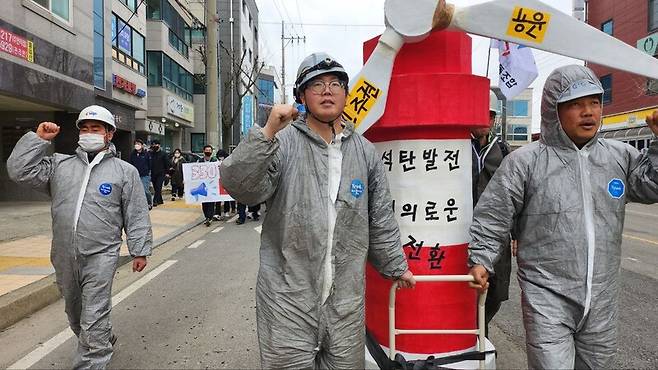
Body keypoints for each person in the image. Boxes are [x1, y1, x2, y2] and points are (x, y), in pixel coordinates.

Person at [220, 52, 416, 369]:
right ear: (301, 96)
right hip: (287, 297)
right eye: (317, 84)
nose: (327, 91)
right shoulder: (281, 144)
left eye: (336, 83)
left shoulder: (364, 153)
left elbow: (380, 218)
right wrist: (267, 132)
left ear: (346, 94)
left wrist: (396, 265)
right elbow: (240, 187)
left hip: (345, 303)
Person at [467, 65, 658, 369]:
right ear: (554, 109)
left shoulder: (619, 156)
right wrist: (481, 260)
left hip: (602, 297)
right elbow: (493, 215)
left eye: (594, 102)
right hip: (547, 297)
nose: (588, 112)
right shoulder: (525, 162)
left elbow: (650, 186)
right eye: (576, 104)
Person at [7, 105, 152, 368]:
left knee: (93, 314)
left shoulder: (124, 172)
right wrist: (38, 140)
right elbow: (19, 171)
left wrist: (139, 249)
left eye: (95, 128)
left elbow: (136, 214)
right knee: (75, 314)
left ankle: (92, 358)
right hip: (63, 254)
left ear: (109, 134)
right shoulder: (60, 165)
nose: (88, 133)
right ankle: (102, 337)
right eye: (84, 129)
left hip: (101, 254)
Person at [471, 91, 513, 337]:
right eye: (479, 114)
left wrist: (516, 232)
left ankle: (481, 332)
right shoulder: (458, 147)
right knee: (470, 287)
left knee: (495, 293)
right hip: (466, 230)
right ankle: (478, 342)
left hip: (497, 234)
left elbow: (517, 194)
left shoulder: (503, 152)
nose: (484, 120)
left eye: (489, 115)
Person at [129, 138, 152, 210]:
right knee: (135, 191)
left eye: (138, 144)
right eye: (135, 144)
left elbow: (150, 164)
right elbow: (130, 164)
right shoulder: (132, 154)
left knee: (145, 190)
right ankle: (139, 204)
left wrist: (149, 173)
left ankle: (149, 203)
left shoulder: (146, 154)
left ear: (142, 145)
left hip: (145, 175)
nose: (137, 145)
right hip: (135, 175)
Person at [198, 145, 217, 226]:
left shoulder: (215, 161)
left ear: (212, 152)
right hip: (203, 185)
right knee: (204, 203)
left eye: (209, 150)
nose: (208, 152)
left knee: (211, 202)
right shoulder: (199, 161)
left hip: (212, 185)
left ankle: (209, 217)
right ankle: (207, 217)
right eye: (207, 150)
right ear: (203, 151)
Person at [214, 149, 236, 220]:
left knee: (226, 197)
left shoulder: (228, 161)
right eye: (219, 156)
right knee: (218, 198)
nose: (220, 158)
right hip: (217, 182)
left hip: (226, 181)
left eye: (222, 156)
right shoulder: (215, 162)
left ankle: (227, 211)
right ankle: (217, 213)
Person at [149, 139, 169, 207]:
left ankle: (155, 201)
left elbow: (167, 164)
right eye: (153, 144)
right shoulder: (150, 154)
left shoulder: (163, 154)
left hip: (161, 173)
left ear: (159, 145)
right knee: (156, 187)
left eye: (156, 144)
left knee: (158, 187)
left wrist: (167, 173)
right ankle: (160, 200)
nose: (154, 146)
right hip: (153, 173)